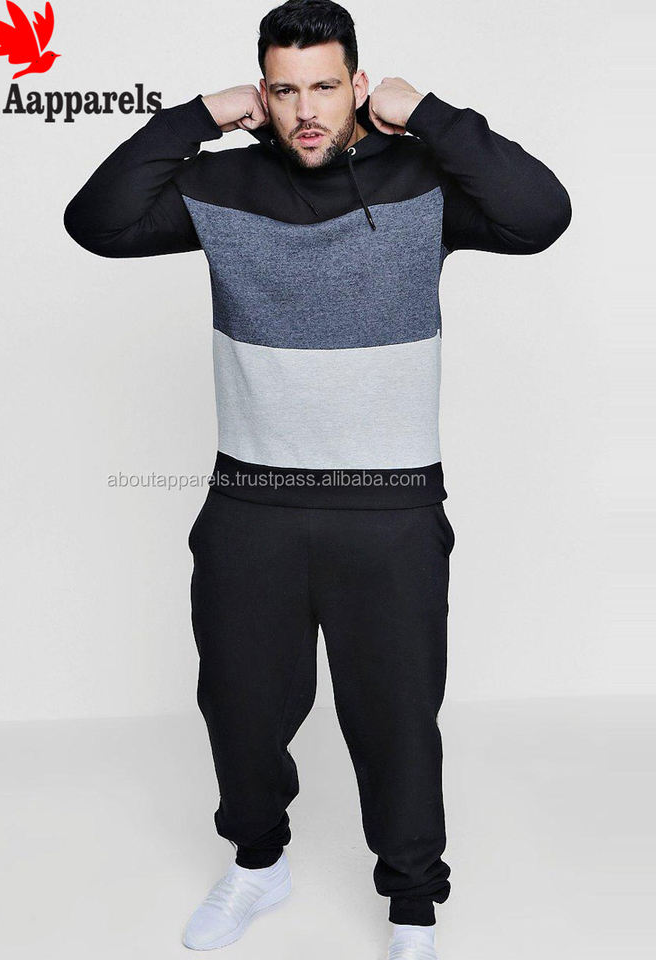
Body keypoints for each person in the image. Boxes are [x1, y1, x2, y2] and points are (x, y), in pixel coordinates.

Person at [63, 1, 571, 955]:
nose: (306, 110)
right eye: (285, 89)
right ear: (262, 93)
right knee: (240, 710)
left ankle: (412, 906)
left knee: (397, 719)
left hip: (391, 509)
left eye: (325, 87)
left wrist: (430, 115)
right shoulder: (221, 187)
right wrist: (198, 118)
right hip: (250, 505)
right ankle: (260, 866)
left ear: (358, 85)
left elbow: (541, 214)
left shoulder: (424, 180)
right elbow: (95, 222)